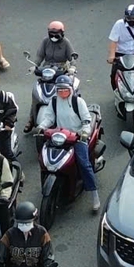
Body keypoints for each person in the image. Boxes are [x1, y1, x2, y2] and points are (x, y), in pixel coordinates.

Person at [34, 76, 102, 215]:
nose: (62, 93)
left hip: (76, 137)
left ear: (71, 89)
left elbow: (86, 121)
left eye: (65, 90)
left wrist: (84, 133)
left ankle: (94, 195)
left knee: (84, 164)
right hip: (59, 136)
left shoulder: (78, 102)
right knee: (44, 158)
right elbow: (49, 118)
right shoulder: (53, 102)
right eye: (60, 90)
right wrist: (41, 126)